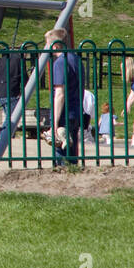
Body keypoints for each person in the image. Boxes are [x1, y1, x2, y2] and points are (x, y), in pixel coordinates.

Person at [46, 27, 81, 166]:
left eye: (47, 44)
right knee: (72, 157)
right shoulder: (76, 59)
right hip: (76, 111)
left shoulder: (60, 63)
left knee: (61, 158)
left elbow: (60, 94)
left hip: (64, 115)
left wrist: (54, 123)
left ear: (55, 46)